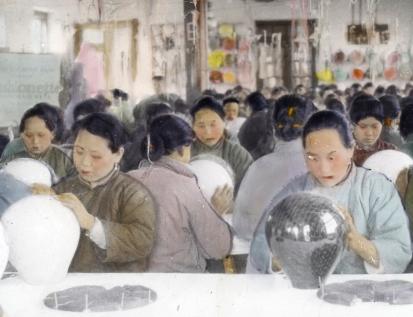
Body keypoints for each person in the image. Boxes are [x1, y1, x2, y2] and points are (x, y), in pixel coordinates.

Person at [249, 110, 411, 274]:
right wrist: (281, 257)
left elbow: (400, 250)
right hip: (307, 291)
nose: (323, 169)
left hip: (364, 292)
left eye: (332, 157)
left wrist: (357, 241)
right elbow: (261, 241)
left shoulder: (376, 188)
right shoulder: (294, 191)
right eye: (312, 158)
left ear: (351, 150)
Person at [49, 113, 156, 272]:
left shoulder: (134, 193)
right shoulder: (62, 189)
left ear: (118, 155)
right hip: (70, 285)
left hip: (116, 288)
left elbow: (142, 242)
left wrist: (91, 223)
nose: (84, 162)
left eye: (95, 156)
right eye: (78, 152)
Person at [129, 114, 232, 272]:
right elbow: (218, 249)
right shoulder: (186, 186)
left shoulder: (128, 179)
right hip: (179, 283)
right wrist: (215, 212)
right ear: (184, 147)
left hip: (133, 282)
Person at [233, 94, 312, 240]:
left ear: (273, 129)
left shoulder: (257, 168)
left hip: (263, 255)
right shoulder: (319, 167)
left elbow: (239, 226)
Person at [190, 96, 253, 193]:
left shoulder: (238, 154)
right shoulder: (184, 153)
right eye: (201, 126)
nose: (208, 132)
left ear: (224, 123)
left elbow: (249, 192)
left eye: (213, 125)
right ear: (193, 126)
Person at [0, 103, 74, 180]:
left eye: (41, 135)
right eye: (28, 135)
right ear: (21, 135)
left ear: (53, 134)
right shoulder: (13, 160)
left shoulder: (65, 159)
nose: (35, 141)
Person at [349, 94, 396, 166]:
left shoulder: (390, 151)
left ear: (382, 124)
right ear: (352, 125)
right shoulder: (344, 151)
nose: (369, 133)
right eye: (363, 126)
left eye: (375, 127)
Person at [237, 91, 275, 160]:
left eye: (245, 107)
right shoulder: (272, 116)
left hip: (255, 159)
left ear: (249, 106)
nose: (245, 111)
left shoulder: (252, 120)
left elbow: (241, 143)